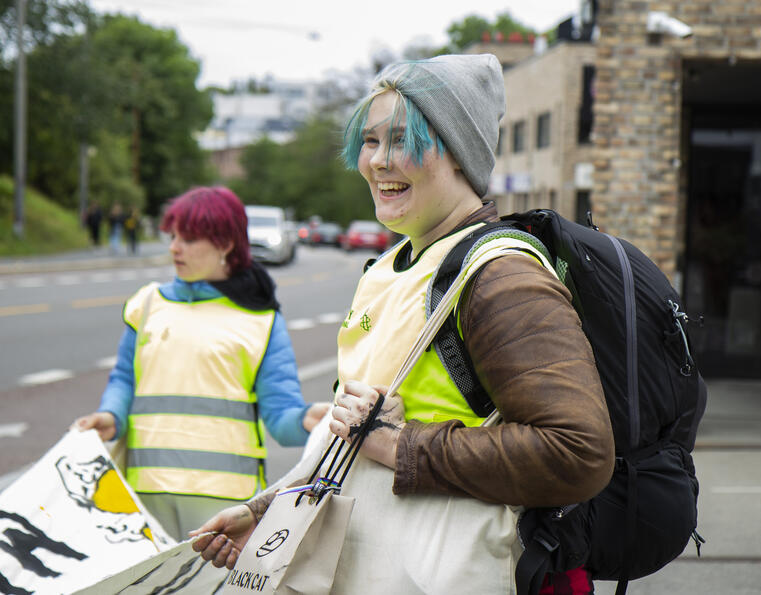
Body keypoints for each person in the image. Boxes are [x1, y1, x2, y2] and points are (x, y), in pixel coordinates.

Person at [191, 55, 614, 593]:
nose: (379, 162)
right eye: (370, 141)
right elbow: (357, 442)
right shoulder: (395, 265)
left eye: (404, 141)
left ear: (461, 154)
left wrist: (402, 446)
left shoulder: (500, 275)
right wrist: (267, 511)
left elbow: (578, 453)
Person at [74, 186, 330, 540]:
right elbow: (123, 378)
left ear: (225, 244)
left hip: (224, 504)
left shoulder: (261, 319)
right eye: (174, 236)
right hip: (146, 491)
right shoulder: (147, 303)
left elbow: (280, 418)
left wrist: (309, 420)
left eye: (189, 239)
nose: (174, 247)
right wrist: (111, 417)